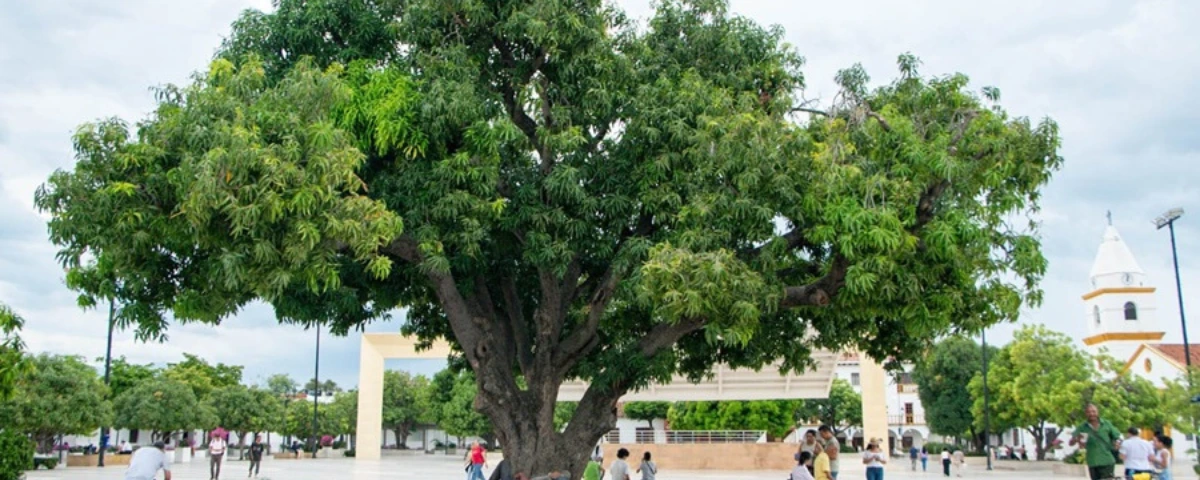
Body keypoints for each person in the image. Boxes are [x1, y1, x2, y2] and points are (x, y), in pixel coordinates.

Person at [1070, 404, 1123, 480]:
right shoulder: (1082, 427)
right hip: (1092, 461)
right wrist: (1075, 440)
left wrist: (1118, 443)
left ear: (1098, 412)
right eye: (1089, 412)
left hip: (1107, 460)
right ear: (1086, 413)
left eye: (1094, 411)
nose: (1091, 414)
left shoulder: (1106, 424)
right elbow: (1071, 443)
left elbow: (1118, 437)